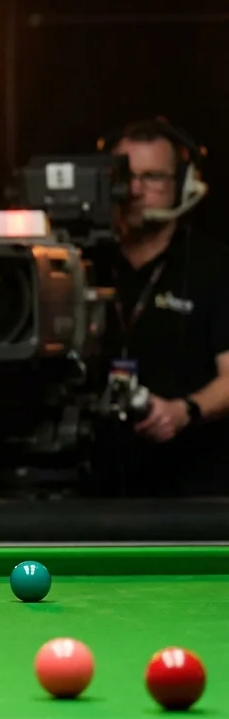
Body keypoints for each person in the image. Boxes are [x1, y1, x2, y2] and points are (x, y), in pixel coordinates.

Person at [87, 117, 229, 497]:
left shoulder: (214, 268)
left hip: (191, 492)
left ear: (182, 185)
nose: (135, 189)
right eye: (125, 175)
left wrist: (185, 410)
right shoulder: (77, 260)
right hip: (89, 487)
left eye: (153, 177)